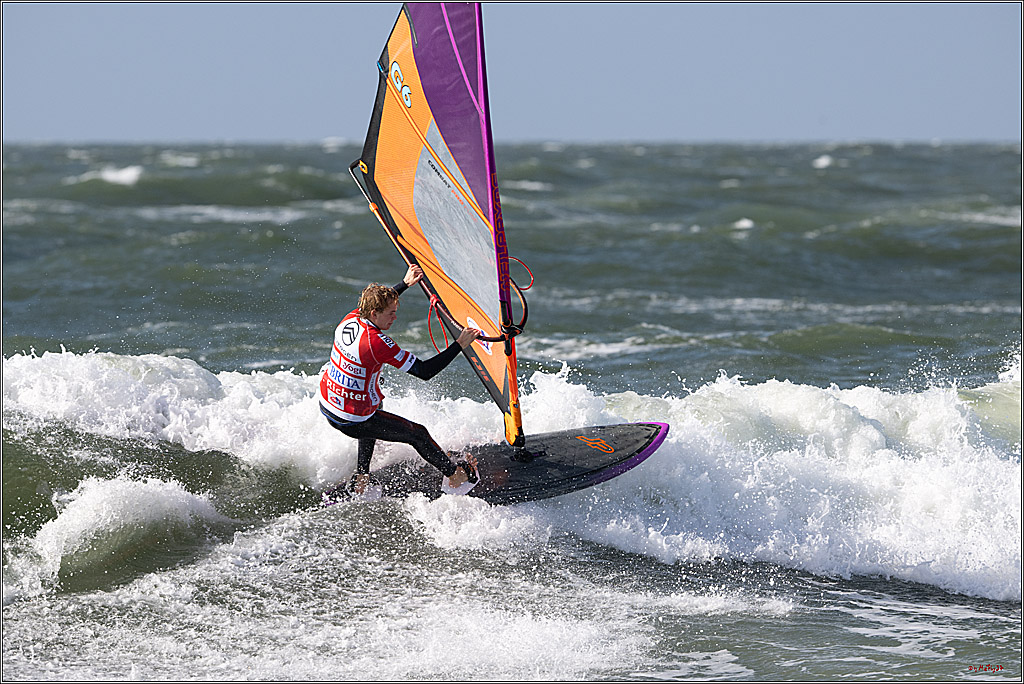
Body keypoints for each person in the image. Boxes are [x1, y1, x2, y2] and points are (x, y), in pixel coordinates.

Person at [319, 264, 481, 498]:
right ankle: (454, 475)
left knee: (376, 405)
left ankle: (362, 475)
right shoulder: (377, 343)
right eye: (390, 313)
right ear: (374, 314)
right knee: (418, 434)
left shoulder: (351, 318)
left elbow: (377, 305)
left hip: (329, 404)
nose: (395, 318)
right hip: (351, 419)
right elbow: (424, 371)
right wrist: (459, 345)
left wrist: (404, 284)